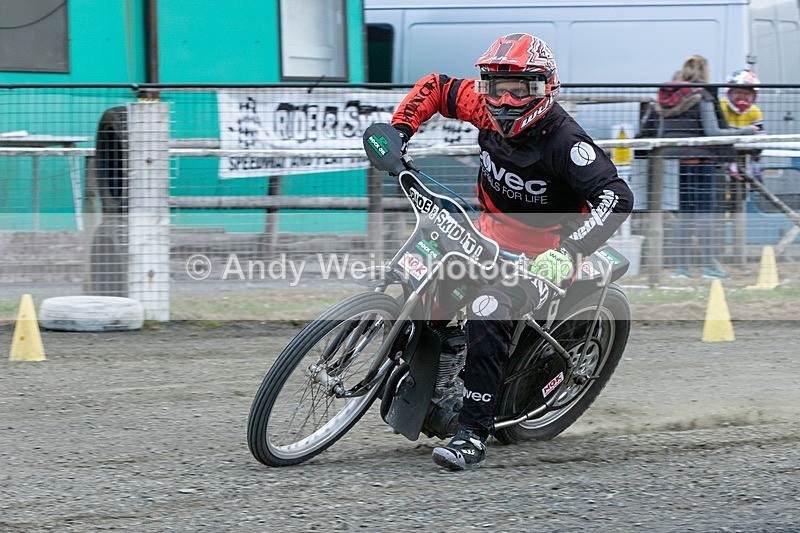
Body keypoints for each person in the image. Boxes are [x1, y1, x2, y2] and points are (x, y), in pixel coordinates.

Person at [390, 33, 634, 470]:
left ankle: (471, 434)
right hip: (486, 235)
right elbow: (437, 87)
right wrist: (398, 129)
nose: (502, 100)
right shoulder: (483, 105)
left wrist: (567, 255)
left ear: (543, 88)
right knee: (425, 274)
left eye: (517, 88)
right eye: (494, 87)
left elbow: (616, 197)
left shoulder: (566, 143)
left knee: (487, 308)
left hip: (546, 258)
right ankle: (443, 364)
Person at [653, 56, 758, 280]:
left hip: (677, 165)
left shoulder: (668, 97)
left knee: (683, 217)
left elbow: (662, 133)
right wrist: (746, 131)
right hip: (703, 165)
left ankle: (682, 268)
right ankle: (709, 266)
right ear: (705, 71)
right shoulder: (703, 97)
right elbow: (714, 133)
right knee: (706, 217)